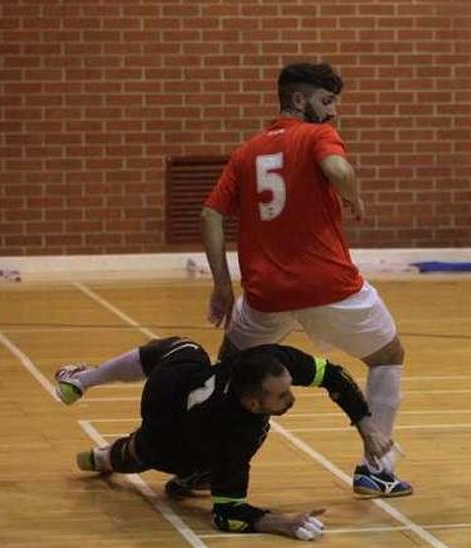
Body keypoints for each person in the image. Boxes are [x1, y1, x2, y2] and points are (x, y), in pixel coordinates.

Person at [199, 62, 411, 497]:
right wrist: (354, 196)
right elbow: (337, 171)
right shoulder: (317, 136)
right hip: (329, 287)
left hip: (265, 296)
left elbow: (210, 214)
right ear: (299, 100)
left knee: (230, 370)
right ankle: (377, 468)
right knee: (387, 354)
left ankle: (205, 464)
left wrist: (222, 284)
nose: (332, 112)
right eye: (327, 101)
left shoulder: (246, 152)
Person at [53, 337, 394, 541]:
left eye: (289, 388)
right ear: (251, 403)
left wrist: (367, 426)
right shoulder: (234, 433)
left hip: (188, 384)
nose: (292, 398)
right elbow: (227, 516)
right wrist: (281, 523)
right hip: (169, 428)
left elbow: (335, 376)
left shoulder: (270, 362)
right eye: (281, 397)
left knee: (186, 349)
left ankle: (84, 383)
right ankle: (100, 444)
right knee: (137, 453)